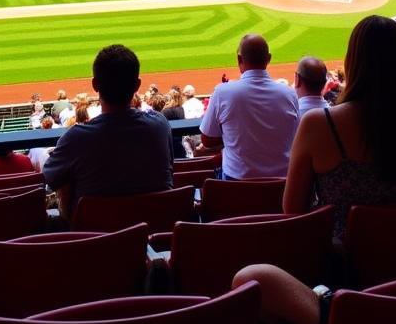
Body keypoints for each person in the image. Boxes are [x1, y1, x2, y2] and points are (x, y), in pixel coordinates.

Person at [232, 15, 396, 324]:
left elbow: (293, 211)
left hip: (348, 292)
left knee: (250, 277)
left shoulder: (321, 123)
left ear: (354, 62)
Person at [43, 44, 172, 218]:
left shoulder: (76, 137)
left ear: (95, 85)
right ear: (137, 85)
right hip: (152, 235)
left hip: (94, 239)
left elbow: (50, 180)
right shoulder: (160, 125)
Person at [199, 34, 300, 179]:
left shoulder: (223, 92)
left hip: (237, 186)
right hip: (280, 188)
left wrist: (233, 135)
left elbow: (207, 140)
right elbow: (295, 136)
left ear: (239, 59)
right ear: (269, 58)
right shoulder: (289, 94)